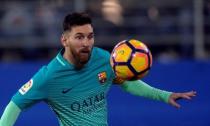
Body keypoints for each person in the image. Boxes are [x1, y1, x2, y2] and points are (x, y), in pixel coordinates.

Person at [0, 12, 196, 126]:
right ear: (64, 40)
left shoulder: (103, 58)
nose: (86, 43)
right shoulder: (48, 76)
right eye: (79, 37)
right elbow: (14, 105)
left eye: (90, 36)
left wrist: (164, 95)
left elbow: (126, 83)